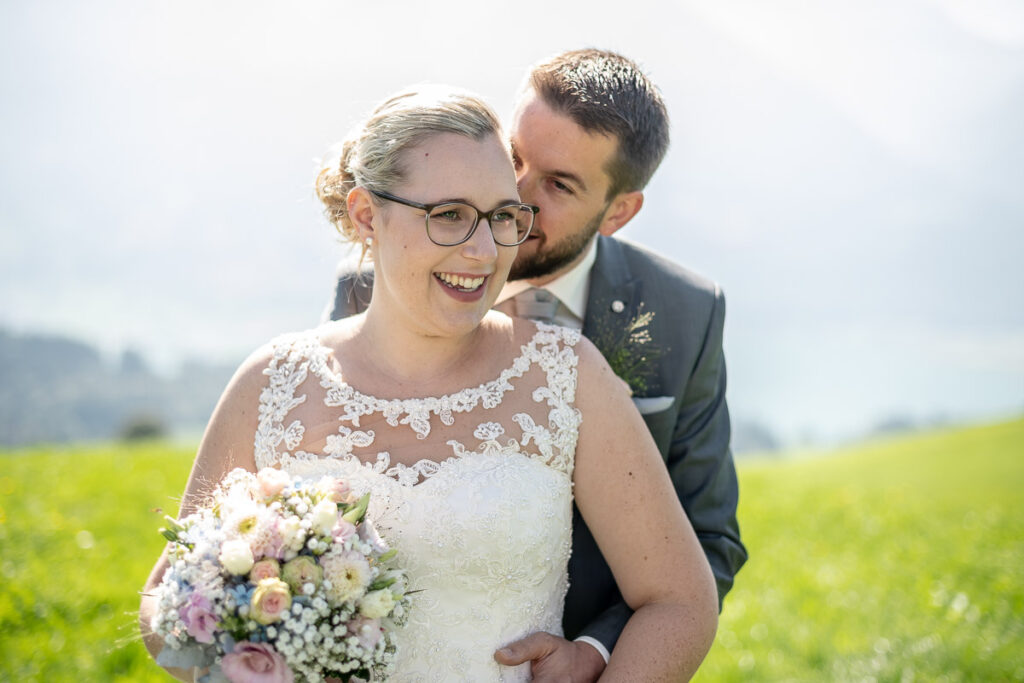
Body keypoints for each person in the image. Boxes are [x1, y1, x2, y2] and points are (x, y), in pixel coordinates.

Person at [140, 85, 718, 681]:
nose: (484, 249)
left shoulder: (568, 376)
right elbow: (165, 602)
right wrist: (246, 644)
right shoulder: (270, 383)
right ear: (368, 215)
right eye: (449, 215)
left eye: (501, 216)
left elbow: (680, 601)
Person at [325, 50, 747, 681]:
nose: (512, 198)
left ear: (618, 213)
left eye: (559, 184)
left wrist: (599, 651)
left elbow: (708, 537)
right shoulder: (378, 279)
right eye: (516, 158)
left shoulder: (684, 313)